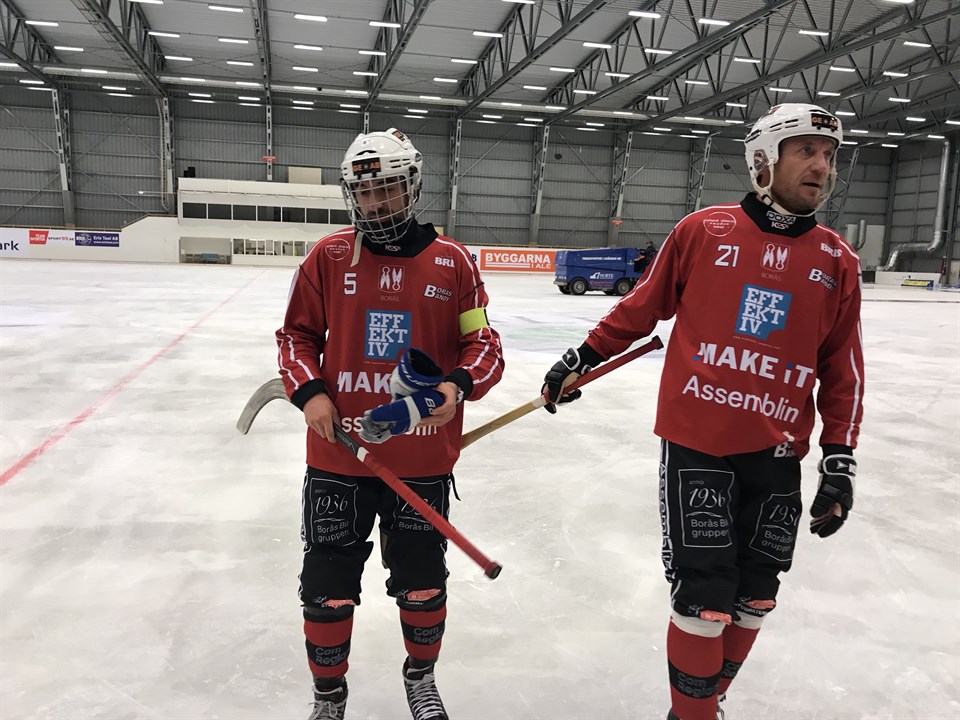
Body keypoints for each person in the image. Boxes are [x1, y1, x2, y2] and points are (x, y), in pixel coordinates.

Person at [540, 103, 864, 720]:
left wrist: (840, 458)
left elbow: (842, 367)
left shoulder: (837, 260)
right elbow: (641, 307)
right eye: (806, 151)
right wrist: (582, 356)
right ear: (764, 159)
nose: (822, 166)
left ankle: (699, 707)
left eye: (828, 155)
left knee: (756, 597)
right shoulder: (704, 231)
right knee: (705, 599)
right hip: (699, 443)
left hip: (778, 453)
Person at [277, 128, 504, 720]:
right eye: (364, 191)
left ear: (413, 186)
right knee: (326, 589)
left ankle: (420, 678)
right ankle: (329, 696)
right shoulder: (328, 258)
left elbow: (483, 344)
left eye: (388, 188)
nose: (375, 202)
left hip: (421, 459)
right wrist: (311, 392)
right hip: (338, 457)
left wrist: (458, 385)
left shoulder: (454, 263)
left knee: (422, 585)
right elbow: (296, 336)